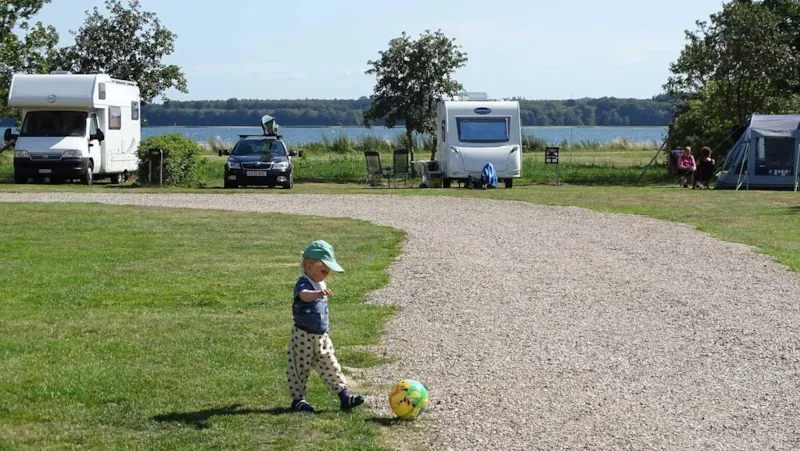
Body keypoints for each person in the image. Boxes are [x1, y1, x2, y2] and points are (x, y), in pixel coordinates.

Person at [287, 240, 365, 412]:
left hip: (321, 336)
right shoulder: (304, 283)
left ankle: (345, 397)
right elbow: (304, 296)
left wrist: (321, 290)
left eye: (328, 272)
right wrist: (317, 294)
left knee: (331, 365)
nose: (326, 275)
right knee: (299, 367)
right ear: (308, 267)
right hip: (303, 336)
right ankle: (298, 400)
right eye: (323, 270)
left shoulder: (321, 283)